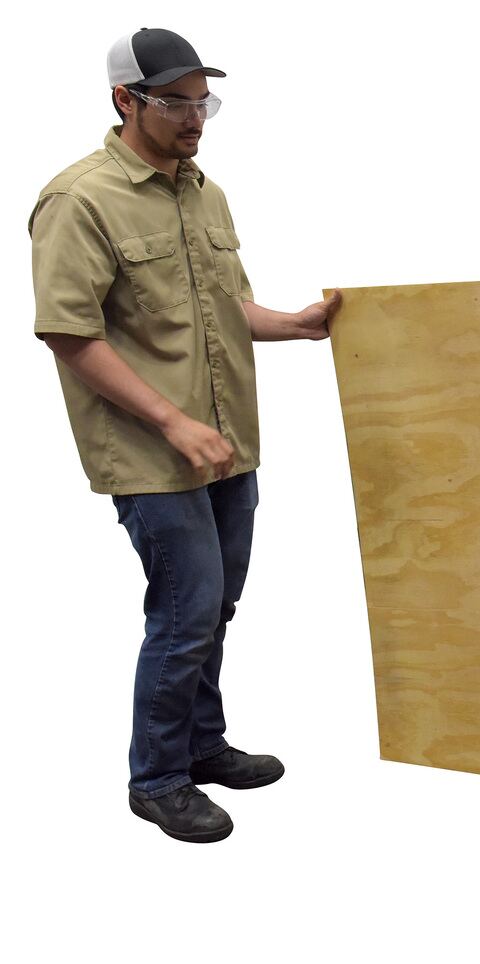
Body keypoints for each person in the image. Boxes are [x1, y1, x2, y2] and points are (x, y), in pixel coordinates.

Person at [30, 27, 341, 843]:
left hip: (226, 439)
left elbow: (223, 307)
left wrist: (297, 324)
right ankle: (159, 778)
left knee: (217, 604)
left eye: (204, 101)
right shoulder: (79, 199)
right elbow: (68, 332)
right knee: (186, 609)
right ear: (124, 100)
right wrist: (172, 420)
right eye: (175, 102)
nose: (195, 117)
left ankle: (203, 745)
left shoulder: (206, 192)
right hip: (152, 450)